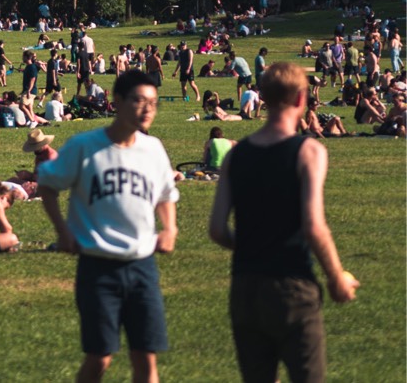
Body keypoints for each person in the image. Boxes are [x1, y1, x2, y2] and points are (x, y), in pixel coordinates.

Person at [208, 61, 358, 383]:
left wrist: (253, 245)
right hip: (292, 287)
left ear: (261, 97)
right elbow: (314, 225)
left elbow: (217, 229)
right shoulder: (309, 151)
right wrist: (336, 278)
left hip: (245, 288)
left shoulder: (237, 155)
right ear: (302, 99)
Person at [37, 69, 180, 383]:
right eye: (138, 101)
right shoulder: (84, 146)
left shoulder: (153, 148)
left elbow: (166, 194)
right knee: (100, 358)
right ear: (116, 101)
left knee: (146, 360)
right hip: (98, 267)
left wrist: (170, 228)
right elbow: (47, 185)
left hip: (143, 266)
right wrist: (62, 231)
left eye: (153, 103)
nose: (146, 109)